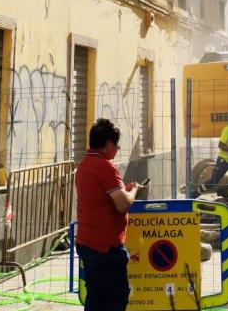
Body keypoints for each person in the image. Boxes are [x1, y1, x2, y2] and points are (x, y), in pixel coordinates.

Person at [75, 118, 143, 311]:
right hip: (105, 247)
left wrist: (124, 189)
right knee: (115, 298)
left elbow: (102, 197)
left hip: (87, 243)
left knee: (96, 298)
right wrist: (134, 190)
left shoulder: (84, 165)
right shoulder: (104, 166)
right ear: (108, 144)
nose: (118, 148)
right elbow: (122, 204)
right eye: (117, 144)